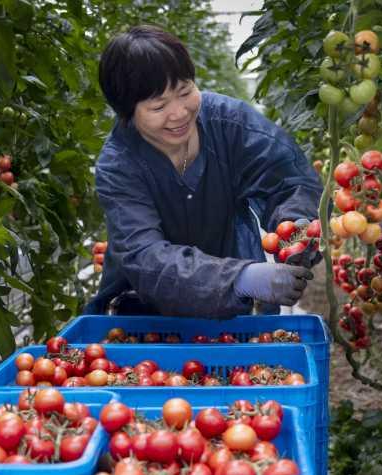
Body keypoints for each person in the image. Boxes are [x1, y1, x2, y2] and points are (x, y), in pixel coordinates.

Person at [85, 25, 322, 318]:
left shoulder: (230, 124)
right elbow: (145, 256)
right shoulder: (119, 166)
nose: (180, 112)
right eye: (159, 106)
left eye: (185, 91)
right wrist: (240, 279)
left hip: (240, 308)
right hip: (144, 310)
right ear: (127, 113)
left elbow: (287, 179)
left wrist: (296, 227)